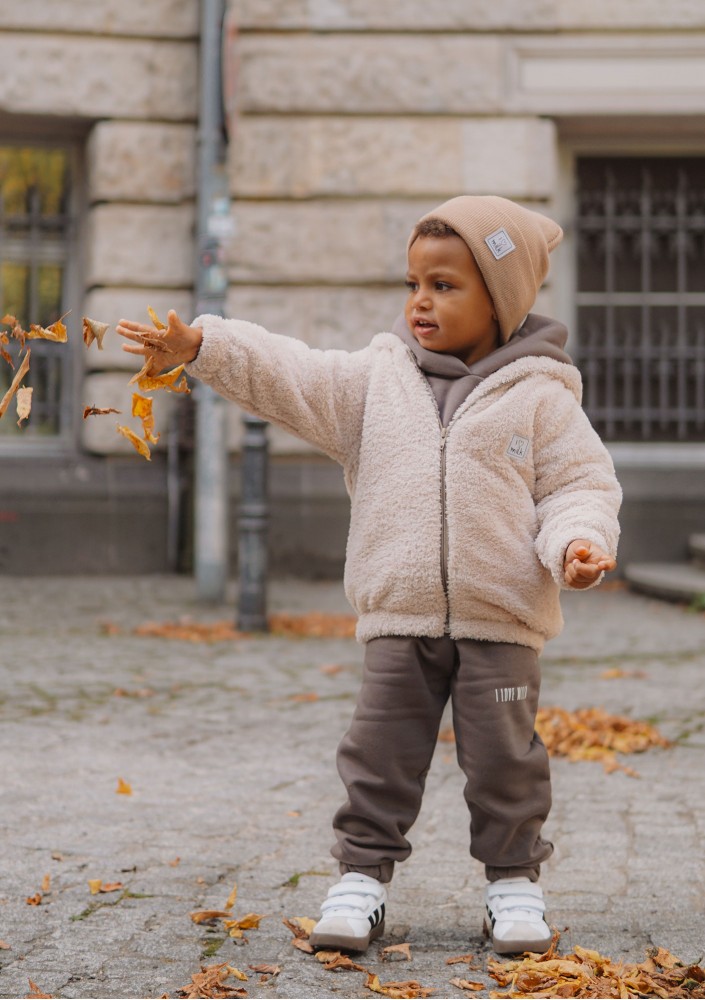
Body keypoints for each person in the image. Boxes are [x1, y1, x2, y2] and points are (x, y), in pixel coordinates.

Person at [117, 195, 621, 957]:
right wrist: (203, 347)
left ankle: (513, 884)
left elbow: (578, 486)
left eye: (445, 285)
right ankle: (361, 879)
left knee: (506, 762)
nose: (421, 300)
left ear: (501, 299)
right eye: (414, 282)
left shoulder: (540, 398)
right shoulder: (374, 384)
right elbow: (291, 373)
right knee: (378, 757)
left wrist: (577, 542)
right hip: (400, 614)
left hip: (502, 619)